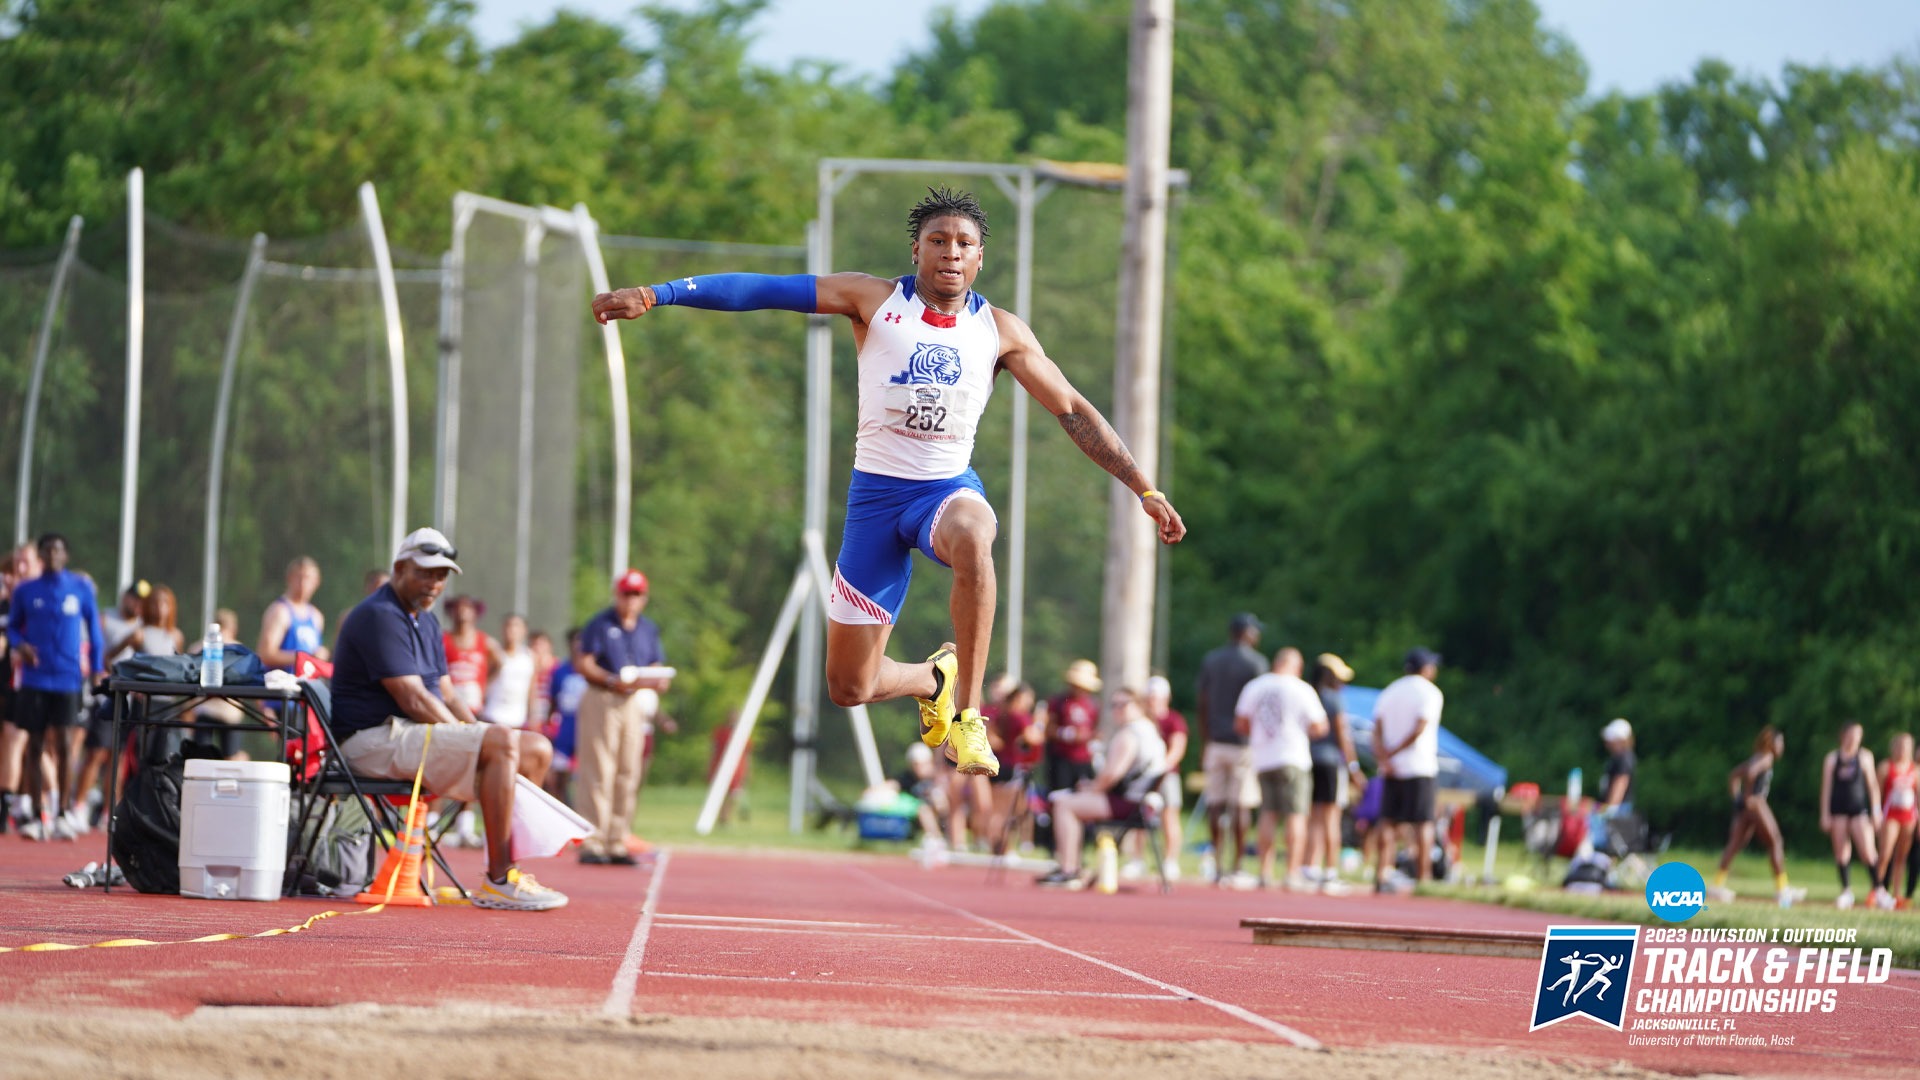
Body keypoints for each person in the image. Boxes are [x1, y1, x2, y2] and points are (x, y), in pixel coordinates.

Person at [593, 187, 1185, 781]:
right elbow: (762, 290)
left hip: (945, 490)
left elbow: (1074, 410)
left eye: (964, 244)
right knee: (851, 686)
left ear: (981, 257)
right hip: (875, 501)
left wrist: (1144, 488)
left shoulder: (1000, 331)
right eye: (938, 241)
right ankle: (934, 679)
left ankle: (970, 715)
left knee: (975, 538)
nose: (951, 253)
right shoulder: (871, 300)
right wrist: (657, 293)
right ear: (917, 251)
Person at [329, 527, 565, 911]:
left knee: (536, 749)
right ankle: (500, 880)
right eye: (425, 572)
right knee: (500, 741)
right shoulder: (379, 614)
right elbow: (414, 698)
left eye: (442, 575)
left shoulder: (426, 619)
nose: (435, 582)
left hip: (409, 735)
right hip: (369, 741)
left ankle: (508, 868)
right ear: (400, 567)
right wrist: (477, 738)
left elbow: (448, 693)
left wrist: (480, 732)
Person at [5, 534, 107, 840]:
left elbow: (95, 631)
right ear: (40, 557)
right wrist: (19, 645)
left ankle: (63, 811)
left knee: (64, 743)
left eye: (58, 551)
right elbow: (11, 627)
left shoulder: (80, 588)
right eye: (46, 551)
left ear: (66, 556)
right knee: (34, 745)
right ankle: (37, 815)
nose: (52, 556)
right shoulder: (26, 590)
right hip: (36, 678)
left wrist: (98, 669)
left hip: (67, 677)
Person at [571, 568, 671, 866]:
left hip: (632, 701)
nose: (631, 600)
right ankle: (593, 839)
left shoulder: (647, 629)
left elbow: (654, 661)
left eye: (637, 594)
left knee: (629, 769)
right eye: (627, 593)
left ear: (644, 598)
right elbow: (584, 662)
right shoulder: (600, 624)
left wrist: (657, 678)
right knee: (599, 767)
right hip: (603, 696)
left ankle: (617, 837)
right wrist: (612, 680)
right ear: (618, 594)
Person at [1035, 688, 1167, 888]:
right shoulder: (1149, 729)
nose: (1117, 709)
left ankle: (1069, 869)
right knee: (1070, 801)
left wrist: (1091, 789)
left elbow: (1111, 775)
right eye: (1114, 705)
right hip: (1141, 801)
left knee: (1064, 804)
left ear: (1138, 705)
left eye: (1123, 704)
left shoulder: (1130, 734)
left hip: (1130, 803)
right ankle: (1072, 866)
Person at [1235, 647, 1328, 890]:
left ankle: (1264, 872)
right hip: (1293, 756)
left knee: (1268, 813)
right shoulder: (1301, 688)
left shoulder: (1255, 686)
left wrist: (1262, 732)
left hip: (1263, 757)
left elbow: (1241, 722)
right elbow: (1320, 727)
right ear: (1296, 666)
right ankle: (1291, 872)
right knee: (1295, 815)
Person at [1195, 613, 1266, 885]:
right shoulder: (1256, 663)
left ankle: (1216, 863)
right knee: (1241, 803)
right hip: (1242, 742)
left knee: (1215, 801)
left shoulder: (1212, 660)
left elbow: (1202, 702)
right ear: (1247, 633)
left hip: (1215, 739)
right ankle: (1236, 865)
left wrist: (1205, 739)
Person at [1372, 647, 1444, 893]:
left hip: (1391, 768)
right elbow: (1419, 728)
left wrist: (1384, 757)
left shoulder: (1390, 691)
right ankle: (1424, 879)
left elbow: (1377, 729)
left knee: (1388, 821)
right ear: (1425, 668)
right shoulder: (1430, 692)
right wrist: (1394, 753)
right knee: (1423, 822)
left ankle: (1382, 872)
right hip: (1419, 765)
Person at [1707, 726, 1799, 908]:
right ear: (1771, 743)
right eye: (1780, 743)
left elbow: (1734, 775)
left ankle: (1717, 885)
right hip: (1756, 803)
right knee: (1776, 842)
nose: (1782, 747)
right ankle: (1782, 889)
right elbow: (1749, 773)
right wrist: (1749, 797)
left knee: (1735, 844)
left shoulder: (1756, 757)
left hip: (1746, 807)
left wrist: (1738, 799)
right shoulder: (1766, 757)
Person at [1304, 653, 1361, 891]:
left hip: (1308, 760)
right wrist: (1354, 767)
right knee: (1331, 817)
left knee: (1314, 816)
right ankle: (1330, 870)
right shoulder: (1334, 699)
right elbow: (1342, 736)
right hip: (1329, 762)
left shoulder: (1308, 695)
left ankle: (1310, 866)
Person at [1818, 722, 1882, 910]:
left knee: (1868, 852)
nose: (1855, 738)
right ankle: (1846, 891)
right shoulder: (1832, 759)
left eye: (1858, 735)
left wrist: (1876, 811)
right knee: (1841, 852)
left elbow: (1872, 786)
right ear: (1843, 735)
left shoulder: (1864, 757)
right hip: (1838, 811)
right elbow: (1827, 788)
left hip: (1859, 810)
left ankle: (1879, 890)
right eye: (1852, 734)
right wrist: (1825, 814)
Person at [1138, 675, 1189, 882]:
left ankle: (1170, 860)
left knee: (1170, 816)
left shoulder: (1174, 720)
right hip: (1144, 775)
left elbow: (1177, 747)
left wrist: (1161, 767)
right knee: (1139, 817)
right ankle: (1137, 859)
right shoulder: (1142, 721)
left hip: (1166, 775)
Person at [983, 678, 1042, 852]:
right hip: (1011, 766)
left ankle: (994, 843)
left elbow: (993, 735)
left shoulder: (1002, 713)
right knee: (1007, 810)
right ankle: (1003, 846)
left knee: (996, 809)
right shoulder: (1020, 716)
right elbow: (1034, 737)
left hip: (997, 763)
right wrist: (1040, 724)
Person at [257, 556, 328, 670]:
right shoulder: (280, 611)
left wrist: (321, 655)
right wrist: (303, 658)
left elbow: (316, 655)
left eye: (308, 578)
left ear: (316, 582)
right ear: (289, 578)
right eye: (299, 577)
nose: (303, 583)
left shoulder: (316, 616)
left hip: (307, 685)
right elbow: (265, 654)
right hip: (282, 685)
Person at [541, 628, 587, 803]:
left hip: (586, 728)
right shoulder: (560, 671)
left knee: (585, 775)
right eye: (574, 641)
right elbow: (553, 702)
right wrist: (548, 725)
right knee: (560, 776)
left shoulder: (591, 671)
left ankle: (584, 812)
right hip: (566, 729)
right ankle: (563, 810)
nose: (578, 645)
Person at [1043, 659, 1102, 796]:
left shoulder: (1093, 704)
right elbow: (1048, 729)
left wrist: (1091, 736)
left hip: (1084, 761)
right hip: (1062, 759)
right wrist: (1069, 734)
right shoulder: (1058, 702)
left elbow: (1094, 729)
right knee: (1059, 796)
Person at [1873, 732, 1916, 910]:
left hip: (1909, 817)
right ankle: (1877, 890)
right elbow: (1877, 792)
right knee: (1885, 854)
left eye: (1906, 746)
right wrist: (1876, 814)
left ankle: (1897, 895)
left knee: (1901, 857)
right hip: (1891, 816)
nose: (1902, 749)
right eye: (1899, 745)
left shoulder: (1915, 770)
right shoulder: (1885, 767)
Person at [441, 595, 500, 716]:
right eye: (458, 607)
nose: (462, 610)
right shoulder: (442, 640)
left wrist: (484, 686)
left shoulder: (486, 642)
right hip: (449, 705)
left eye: (467, 607)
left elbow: (499, 664)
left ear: (475, 612)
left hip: (474, 707)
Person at [482, 613, 536, 729]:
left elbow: (532, 689)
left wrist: (532, 717)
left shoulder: (530, 657)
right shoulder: (494, 654)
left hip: (517, 721)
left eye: (516, 626)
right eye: (508, 626)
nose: (512, 630)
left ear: (524, 631)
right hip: (492, 717)